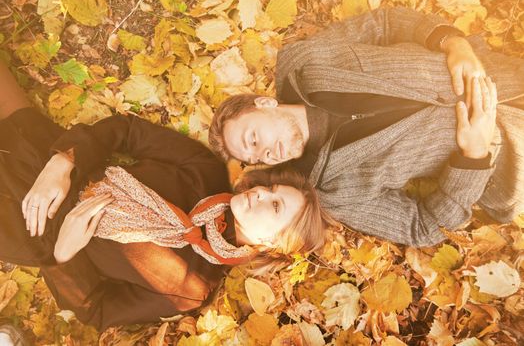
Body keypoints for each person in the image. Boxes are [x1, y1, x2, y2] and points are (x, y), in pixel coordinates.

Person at [0, 63, 329, 331]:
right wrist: (65, 160)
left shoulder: (191, 289)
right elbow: (129, 132)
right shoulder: (207, 172)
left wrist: (63, 255)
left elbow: (97, 311)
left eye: (274, 206)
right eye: (270, 189)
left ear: (270, 247)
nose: (259, 192)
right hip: (48, 162)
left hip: (29, 230)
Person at [208, 7, 524, 247]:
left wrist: (453, 43)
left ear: (264, 104)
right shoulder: (332, 193)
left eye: (252, 138)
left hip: (506, 75)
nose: (263, 152)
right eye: (255, 157)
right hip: (512, 158)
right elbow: (422, 227)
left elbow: (385, 23)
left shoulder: (302, 62)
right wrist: (474, 156)